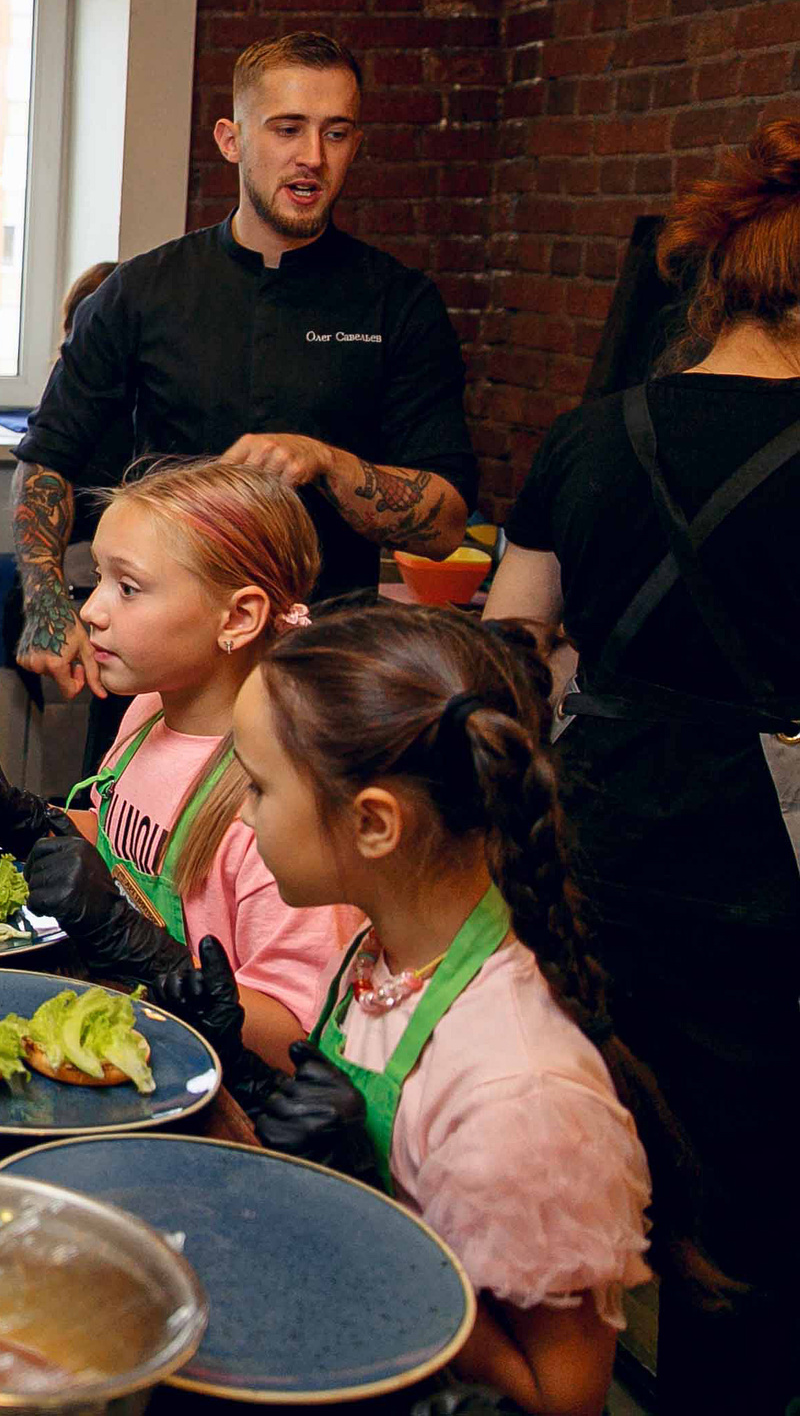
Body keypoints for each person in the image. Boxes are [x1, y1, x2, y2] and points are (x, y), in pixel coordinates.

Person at [485, 118, 800, 1409]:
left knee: (604, 1141)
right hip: (759, 867)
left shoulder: (588, 434)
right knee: (756, 1189)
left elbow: (510, 642)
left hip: (601, 843)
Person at [183, 602, 656, 1416]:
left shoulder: (520, 1090)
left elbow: (560, 1401)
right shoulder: (383, 948)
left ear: (373, 822)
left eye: (258, 788)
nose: (243, 815)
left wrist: (371, 1208)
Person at [13, 30, 480, 715]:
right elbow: (48, 458)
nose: (312, 158)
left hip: (318, 686)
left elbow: (443, 525)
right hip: (159, 681)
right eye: (287, 129)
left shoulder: (399, 303)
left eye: (337, 132)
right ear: (231, 139)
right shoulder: (141, 292)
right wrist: (46, 596)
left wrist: (325, 461)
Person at [0, 460, 343, 1063]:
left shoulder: (275, 799)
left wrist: (148, 952)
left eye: (128, 588)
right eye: (99, 578)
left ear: (237, 617)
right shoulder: (149, 710)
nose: (93, 611)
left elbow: (294, 1035)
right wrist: (13, 817)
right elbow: (123, 842)